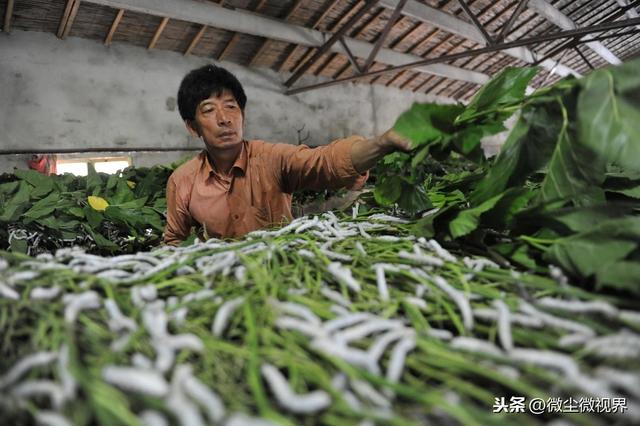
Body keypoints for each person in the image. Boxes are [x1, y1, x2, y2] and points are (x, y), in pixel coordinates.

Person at [164, 65, 410, 245]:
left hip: (281, 267)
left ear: (243, 115)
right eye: (208, 110)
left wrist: (382, 143)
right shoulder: (182, 181)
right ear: (192, 126)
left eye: (231, 106)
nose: (224, 118)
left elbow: (325, 162)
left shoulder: (271, 158)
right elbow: (174, 240)